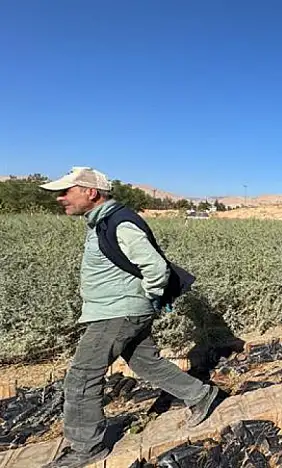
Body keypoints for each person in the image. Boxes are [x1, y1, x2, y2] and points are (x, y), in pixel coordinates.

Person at [39, 167, 219, 468]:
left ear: (90, 192)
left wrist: (145, 297)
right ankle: (201, 396)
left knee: (82, 376)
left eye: (66, 191)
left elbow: (155, 268)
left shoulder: (119, 223)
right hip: (119, 311)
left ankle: (86, 447)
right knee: (146, 363)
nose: (60, 198)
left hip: (118, 313)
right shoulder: (102, 222)